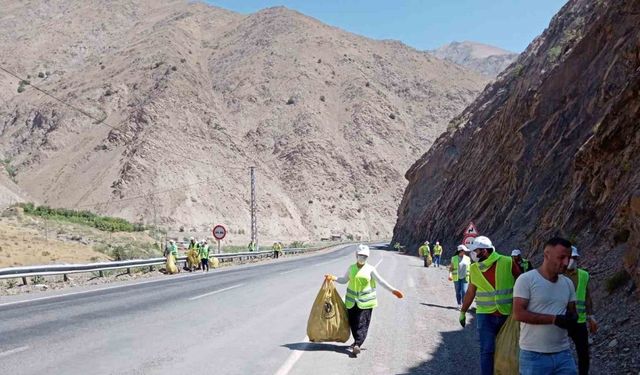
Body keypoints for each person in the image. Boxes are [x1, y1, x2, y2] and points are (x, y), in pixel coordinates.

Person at [513, 237, 578, 375]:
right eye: (561, 257)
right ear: (547, 254)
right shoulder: (526, 280)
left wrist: (573, 318)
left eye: (568, 257)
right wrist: (554, 319)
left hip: (563, 353)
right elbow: (518, 314)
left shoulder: (567, 283)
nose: (566, 262)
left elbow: (572, 311)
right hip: (534, 355)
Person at [325, 244, 404, 356]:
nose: (362, 258)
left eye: (365, 256)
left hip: (366, 302)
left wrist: (393, 291)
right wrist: (333, 278)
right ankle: (356, 341)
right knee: (353, 323)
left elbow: (381, 281)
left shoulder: (371, 269)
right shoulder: (351, 268)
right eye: (361, 255)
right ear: (356, 255)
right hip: (351, 302)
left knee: (362, 323)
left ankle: (357, 344)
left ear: (367, 257)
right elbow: (344, 280)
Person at [459, 236, 521, 375]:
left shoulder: (507, 262)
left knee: (507, 349)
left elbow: (522, 282)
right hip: (485, 315)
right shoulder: (474, 268)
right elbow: (470, 291)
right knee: (487, 350)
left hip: (507, 315)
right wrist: (463, 311)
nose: (472, 254)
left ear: (485, 251)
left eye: (475, 251)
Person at [565, 246, 597, 375]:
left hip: (580, 321)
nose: (572, 260)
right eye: (570, 257)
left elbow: (587, 297)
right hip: (562, 320)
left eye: (574, 257)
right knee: (559, 352)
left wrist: (591, 316)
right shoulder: (557, 275)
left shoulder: (583, 275)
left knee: (583, 352)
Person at [449, 245, 471, 309]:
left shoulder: (468, 258)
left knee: (464, 291)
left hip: (465, 277)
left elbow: (470, 268)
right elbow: (451, 268)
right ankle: (459, 304)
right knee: (458, 292)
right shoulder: (454, 258)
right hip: (456, 278)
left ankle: (464, 304)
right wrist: (450, 275)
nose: (465, 252)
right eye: (464, 251)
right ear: (460, 251)